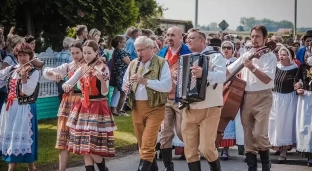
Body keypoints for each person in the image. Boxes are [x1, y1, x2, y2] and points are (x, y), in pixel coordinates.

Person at [227, 25, 277, 171]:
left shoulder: (270, 56)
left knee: (260, 134)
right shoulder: (246, 54)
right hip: (246, 97)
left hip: (263, 96)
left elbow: (267, 79)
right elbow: (229, 70)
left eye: (258, 36)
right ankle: (252, 168)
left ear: (265, 39)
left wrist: (251, 67)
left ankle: (266, 164)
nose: (254, 39)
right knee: (248, 134)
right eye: (253, 36)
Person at [62, 40, 116, 171]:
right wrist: (67, 85)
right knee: (85, 146)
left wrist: (102, 80)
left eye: (89, 53)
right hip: (83, 106)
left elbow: (104, 92)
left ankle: (104, 169)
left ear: (96, 52)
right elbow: (68, 82)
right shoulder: (83, 67)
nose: (86, 56)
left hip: (97, 106)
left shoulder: (103, 68)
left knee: (91, 146)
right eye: (84, 53)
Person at [122, 36, 171, 171]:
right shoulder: (133, 63)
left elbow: (167, 86)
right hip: (137, 107)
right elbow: (124, 81)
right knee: (142, 143)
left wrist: (145, 81)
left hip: (155, 107)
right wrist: (126, 86)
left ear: (151, 48)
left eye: (141, 50)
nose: (139, 53)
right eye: (137, 50)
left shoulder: (162, 63)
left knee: (148, 144)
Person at [181, 28, 225, 171]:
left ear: (201, 40)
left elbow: (221, 76)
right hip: (189, 107)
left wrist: (204, 74)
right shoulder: (186, 58)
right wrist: (178, 77)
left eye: (192, 38)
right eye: (187, 38)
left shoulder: (216, 56)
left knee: (206, 148)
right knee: (190, 151)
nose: (188, 40)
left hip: (210, 107)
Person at [43, 41, 85, 171]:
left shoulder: (88, 66)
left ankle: (90, 167)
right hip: (67, 103)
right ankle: (62, 169)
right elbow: (45, 72)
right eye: (72, 53)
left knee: (83, 138)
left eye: (78, 53)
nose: (75, 55)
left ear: (83, 52)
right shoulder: (68, 66)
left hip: (81, 103)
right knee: (63, 137)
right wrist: (54, 73)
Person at [0, 43, 40, 171]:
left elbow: (27, 92)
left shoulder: (34, 71)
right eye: (20, 55)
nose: (22, 58)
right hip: (10, 108)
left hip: (25, 108)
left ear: (30, 56)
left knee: (23, 139)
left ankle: (13, 168)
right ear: (16, 56)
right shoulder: (11, 70)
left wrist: (23, 80)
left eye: (25, 55)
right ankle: (32, 167)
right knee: (12, 137)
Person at [157, 26, 192, 170]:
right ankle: (168, 166)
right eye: (168, 35)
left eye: (173, 35)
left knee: (181, 131)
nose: (169, 38)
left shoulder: (187, 53)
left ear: (180, 37)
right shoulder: (162, 52)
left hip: (180, 100)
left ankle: (193, 160)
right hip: (165, 99)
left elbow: (194, 78)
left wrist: (182, 77)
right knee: (165, 134)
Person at [268, 47, 298, 164]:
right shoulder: (276, 67)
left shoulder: (294, 69)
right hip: (275, 97)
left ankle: (284, 151)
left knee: (285, 125)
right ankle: (277, 146)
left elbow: (298, 81)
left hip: (288, 99)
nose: (281, 57)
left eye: (284, 55)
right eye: (280, 54)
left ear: (290, 57)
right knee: (274, 124)